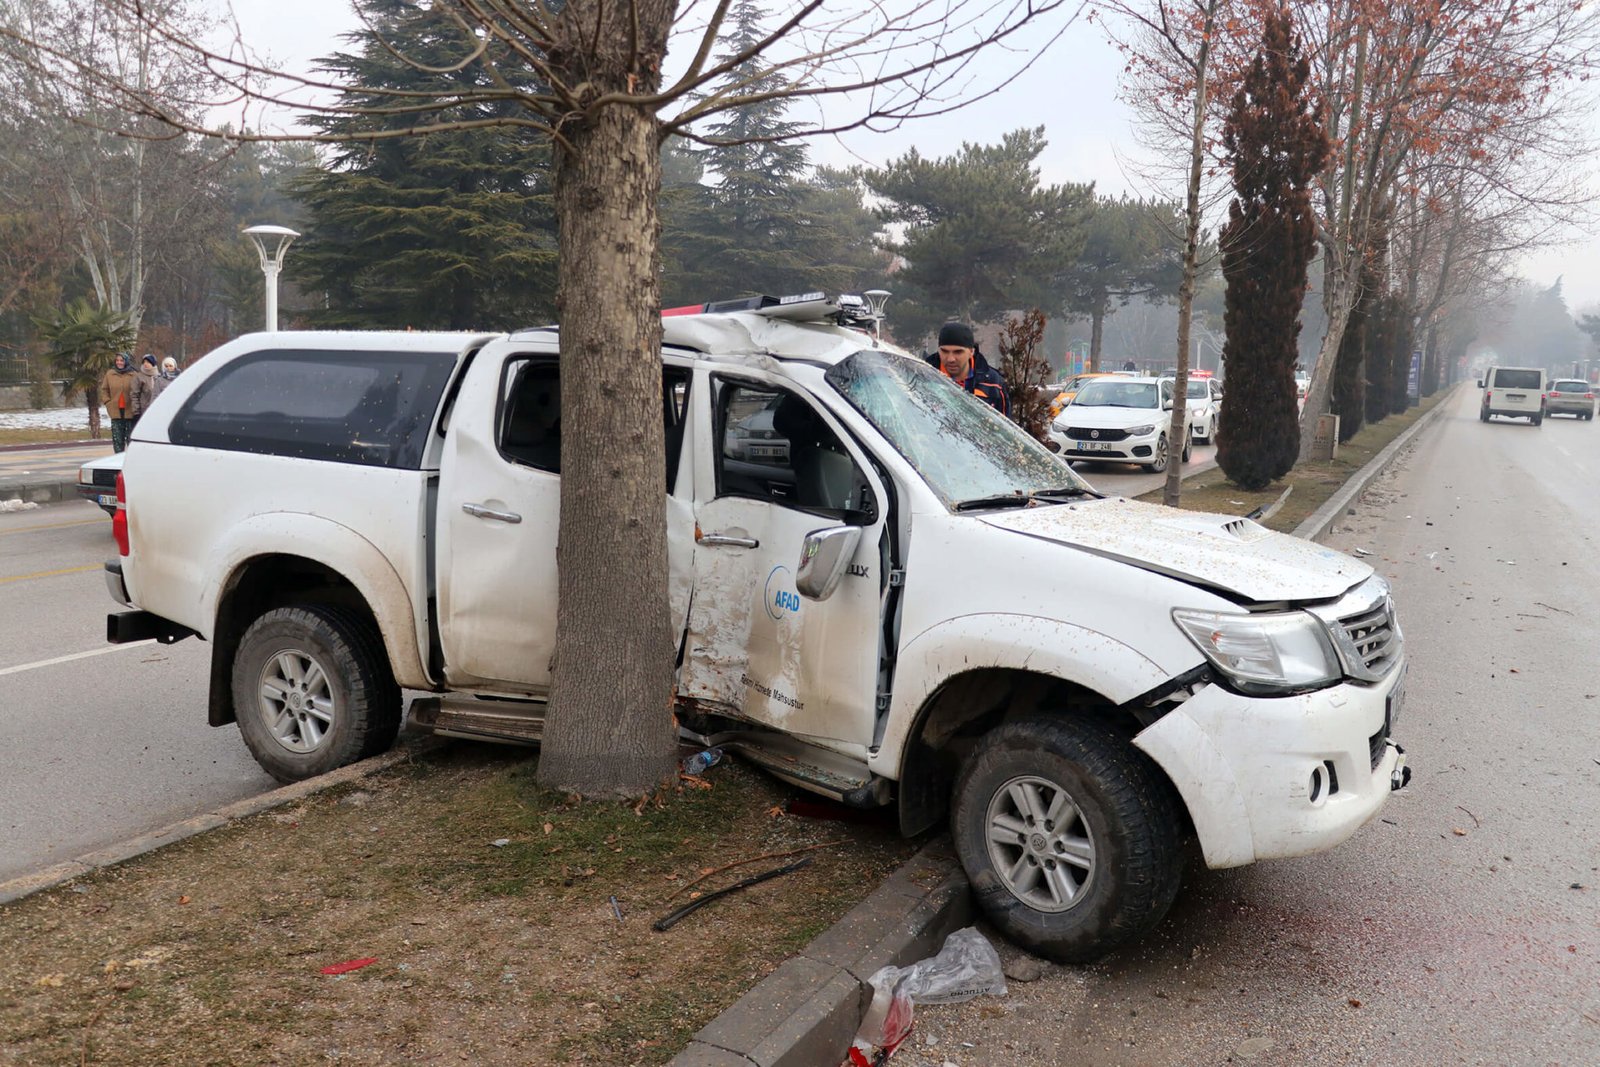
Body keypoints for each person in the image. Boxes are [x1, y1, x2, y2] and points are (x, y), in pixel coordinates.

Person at [926, 322, 1008, 415]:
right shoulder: (923, 377)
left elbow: (1007, 426)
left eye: (958, 352)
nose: (950, 359)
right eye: (944, 351)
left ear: (971, 352)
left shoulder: (993, 383)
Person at [99, 353, 140, 452]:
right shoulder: (110, 374)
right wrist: (107, 402)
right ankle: (118, 461)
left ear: (126, 361)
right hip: (115, 411)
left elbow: (138, 390)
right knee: (117, 440)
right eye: (117, 360)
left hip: (130, 412)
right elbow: (104, 389)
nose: (119, 363)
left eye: (121, 360)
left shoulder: (134, 374)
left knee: (130, 439)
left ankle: (130, 461)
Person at [131, 354, 159, 423]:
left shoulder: (158, 377)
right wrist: (136, 412)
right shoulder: (139, 377)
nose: (145, 364)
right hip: (143, 411)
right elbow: (134, 395)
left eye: (148, 362)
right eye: (144, 362)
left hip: (157, 410)